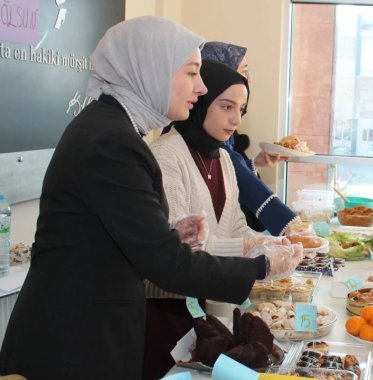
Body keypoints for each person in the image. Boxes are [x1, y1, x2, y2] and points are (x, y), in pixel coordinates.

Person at [0, 16, 301, 380]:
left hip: (86, 333)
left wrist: (170, 234)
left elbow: (112, 239)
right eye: (192, 73)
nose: (202, 87)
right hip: (73, 343)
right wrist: (260, 266)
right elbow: (166, 265)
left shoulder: (113, 129)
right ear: (150, 69)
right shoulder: (112, 141)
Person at [144, 60, 300, 379]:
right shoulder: (166, 156)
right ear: (201, 102)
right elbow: (181, 250)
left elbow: (234, 227)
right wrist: (250, 248)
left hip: (203, 305)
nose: (235, 119)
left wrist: (266, 243)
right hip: (164, 310)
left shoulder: (225, 159)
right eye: (226, 106)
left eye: (241, 109)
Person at [200, 41, 299, 235]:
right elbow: (234, 167)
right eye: (244, 71)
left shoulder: (213, 126)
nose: (250, 79)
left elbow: (232, 171)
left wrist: (255, 163)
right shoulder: (185, 136)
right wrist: (291, 226)